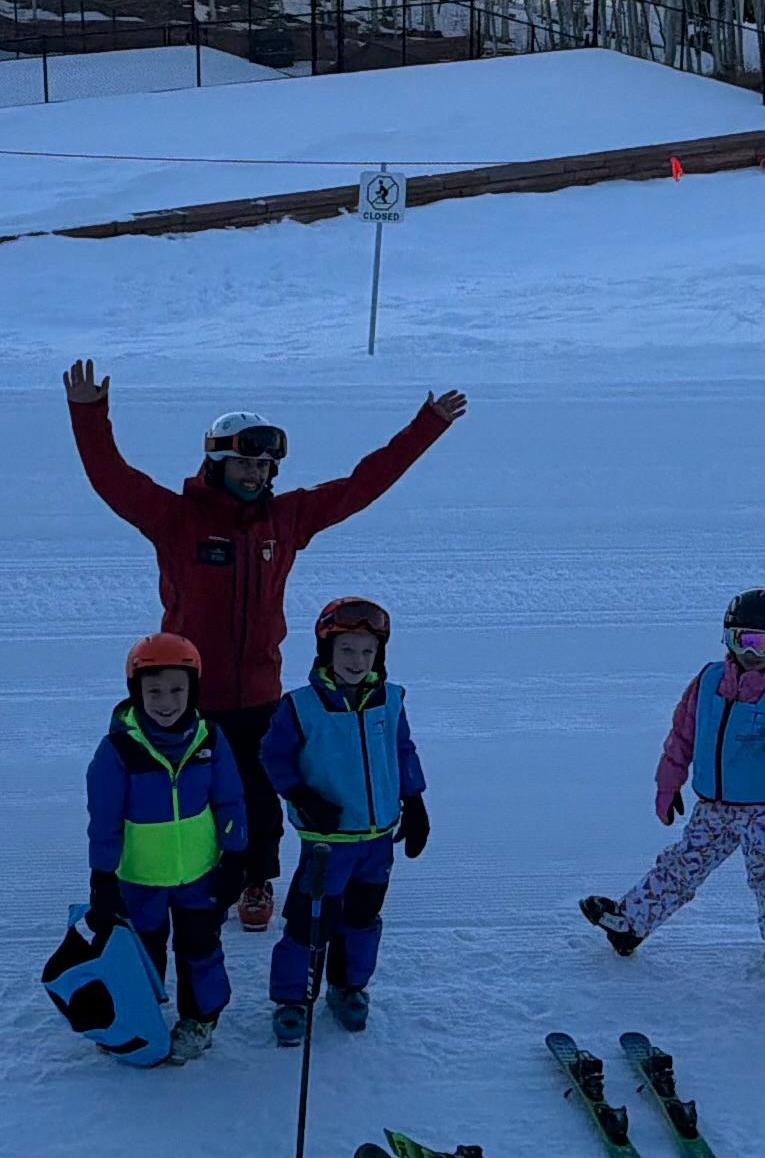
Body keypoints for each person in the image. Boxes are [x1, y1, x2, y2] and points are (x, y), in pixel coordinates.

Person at [65, 361, 466, 932]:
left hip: (258, 694)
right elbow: (112, 478)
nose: (255, 475)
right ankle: (185, 874)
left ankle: (257, 879)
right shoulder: (176, 519)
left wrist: (427, 425)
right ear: (216, 463)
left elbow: (360, 485)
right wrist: (88, 413)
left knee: (258, 796)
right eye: (244, 464)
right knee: (185, 794)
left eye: (263, 466)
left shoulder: (286, 520)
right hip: (189, 695)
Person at [581, 588, 765, 982]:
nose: (750, 652)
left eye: (761, 643)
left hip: (764, 811)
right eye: (741, 639)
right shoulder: (707, 681)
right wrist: (669, 784)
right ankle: (630, 925)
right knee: (681, 863)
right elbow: (682, 735)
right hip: (713, 807)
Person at [257, 595, 430, 1047]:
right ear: (326, 652)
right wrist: (300, 795)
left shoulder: (391, 701)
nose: (357, 660)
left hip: (377, 839)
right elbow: (273, 757)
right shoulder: (301, 707)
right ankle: (293, 999)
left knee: (362, 917)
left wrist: (414, 800)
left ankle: (348, 986)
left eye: (367, 651)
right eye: (347, 650)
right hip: (327, 841)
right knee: (310, 922)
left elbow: (402, 750)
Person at [84, 632, 249, 1063]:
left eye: (177, 689)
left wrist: (236, 855)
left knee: (200, 949)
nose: (166, 702)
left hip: (200, 876)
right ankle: (136, 1016)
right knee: (141, 954)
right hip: (140, 879)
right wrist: (102, 876)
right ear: (135, 692)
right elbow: (104, 820)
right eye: (153, 691)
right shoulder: (119, 750)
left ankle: (200, 1018)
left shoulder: (209, 739)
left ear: (193, 689)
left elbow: (230, 800)